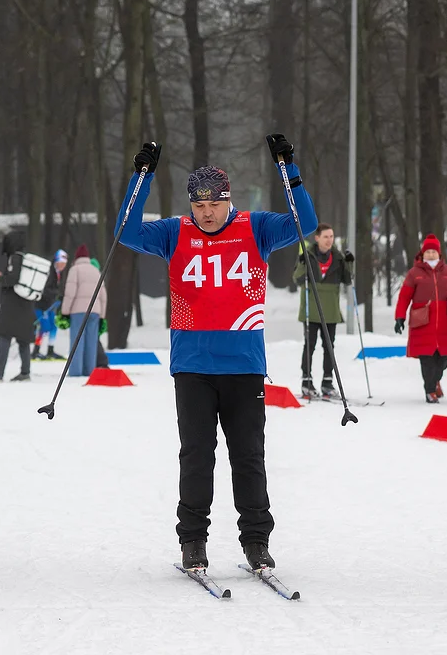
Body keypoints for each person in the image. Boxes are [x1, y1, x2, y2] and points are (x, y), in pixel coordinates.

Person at [116, 136, 316, 572]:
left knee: (248, 456)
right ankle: (192, 541)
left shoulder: (255, 227)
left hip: (244, 365)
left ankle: (256, 541)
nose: (206, 213)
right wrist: (142, 176)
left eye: (214, 204)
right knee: (196, 455)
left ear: (229, 201)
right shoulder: (174, 232)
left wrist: (290, 171)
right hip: (193, 368)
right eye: (198, 205)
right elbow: (126, 233)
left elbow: (306, 222)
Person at [393, 234, 447, 403]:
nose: (431, 255)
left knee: (444, 358)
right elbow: (404, 297)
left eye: (434, 252)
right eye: (428, 252)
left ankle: (435, 380)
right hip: (422, 323)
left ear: (439, 254)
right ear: (422, 254)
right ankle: (430, 390)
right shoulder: (414, 273)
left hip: (445, 324)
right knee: (427, 359)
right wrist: (400, 317)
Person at [292, 223, 350, 400]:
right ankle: (307, 380)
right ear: (317, 238)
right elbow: (298, 279)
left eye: (331, 237)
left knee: (329, 346)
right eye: (326, 237)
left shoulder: (338, 257)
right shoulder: (307, 255)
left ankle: (327, 381)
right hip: (311, 308)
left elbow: (348, 280)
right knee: (310, 345)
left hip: (330, 309)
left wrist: (349, 263)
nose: (329, 240)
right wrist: (302, 265)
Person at [0, 231, 36, 382]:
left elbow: (13, 279)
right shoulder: (24, 258)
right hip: (24, 305)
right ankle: (25, 372)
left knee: (4, 336)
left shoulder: (15, 258)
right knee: (23, 340)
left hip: (12, 307)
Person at [60, 244, 107, 377]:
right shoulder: (95, 270)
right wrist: (102, 315)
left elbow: (70, 292)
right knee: (91, 341)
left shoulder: (75, 270)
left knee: (77, 341)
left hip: (78, 311)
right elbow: (103, 295)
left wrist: (65, 311)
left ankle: (75, 372)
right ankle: (89, 371)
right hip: (95, 312)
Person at [34, 250, 67, 360]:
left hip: (51, 305)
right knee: (45, 327)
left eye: (64, 264)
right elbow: (45, 289)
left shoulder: (59, 273)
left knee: (54, 326)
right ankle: (36, 350)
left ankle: (50, 350)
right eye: (61, 263)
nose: (63, 266)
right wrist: (57, 295)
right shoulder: (49, 271)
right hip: (41, 305)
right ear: (56, 262)